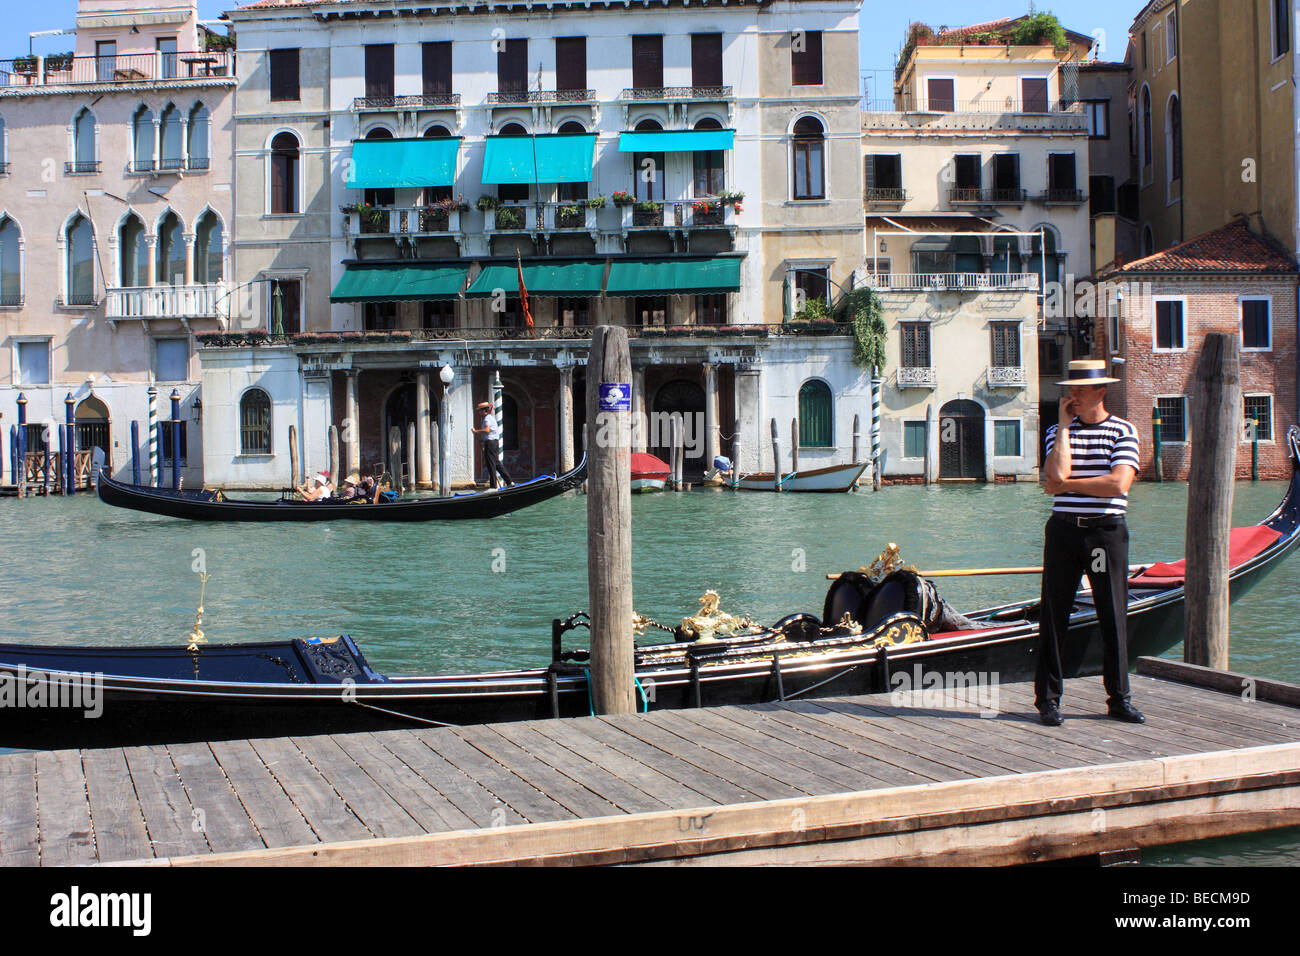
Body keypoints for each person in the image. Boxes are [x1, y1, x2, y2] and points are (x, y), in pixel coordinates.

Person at [1037, 359, 1144, 727]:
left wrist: (1066, 486)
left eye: (1081, 389)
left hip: (1104, 534)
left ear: (1101, 390)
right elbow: (1055, 473)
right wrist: (1065, 428)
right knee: (1054, 615)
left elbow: (1119, 484)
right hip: (1065, 532)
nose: (1074, 395)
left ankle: (1119, 698)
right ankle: (1048, 701)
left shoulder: (1123, 431)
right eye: (1071, 389)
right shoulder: (1057, 431)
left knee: (1112, 613)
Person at [472, 400, 514, 489]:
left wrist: (476, 431)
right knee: (496, 463)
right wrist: (481, 438)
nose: (479, 412)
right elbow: (487, 433)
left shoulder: (487, 418)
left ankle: (493, 487)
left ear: (484, 410)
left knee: (491, 464)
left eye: (480, 410)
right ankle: (509, 481)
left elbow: (487, 430)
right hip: (491, 442)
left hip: (490, 443)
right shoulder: (488, 418)